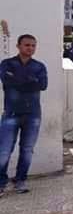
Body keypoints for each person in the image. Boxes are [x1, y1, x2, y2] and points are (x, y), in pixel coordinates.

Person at [0, 35, 48, 197]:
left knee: (27, 150)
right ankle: (1, 183)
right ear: (18, 46)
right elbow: (8, 80)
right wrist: (29, 81)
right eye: (27, 45)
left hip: (33, 115)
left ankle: (20, 180)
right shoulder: (7, 64)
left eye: (33, 46)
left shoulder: (39, 66)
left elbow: (42, 85)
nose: (30, 48)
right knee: (4, 150)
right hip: (11, 113)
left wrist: (19, 80)